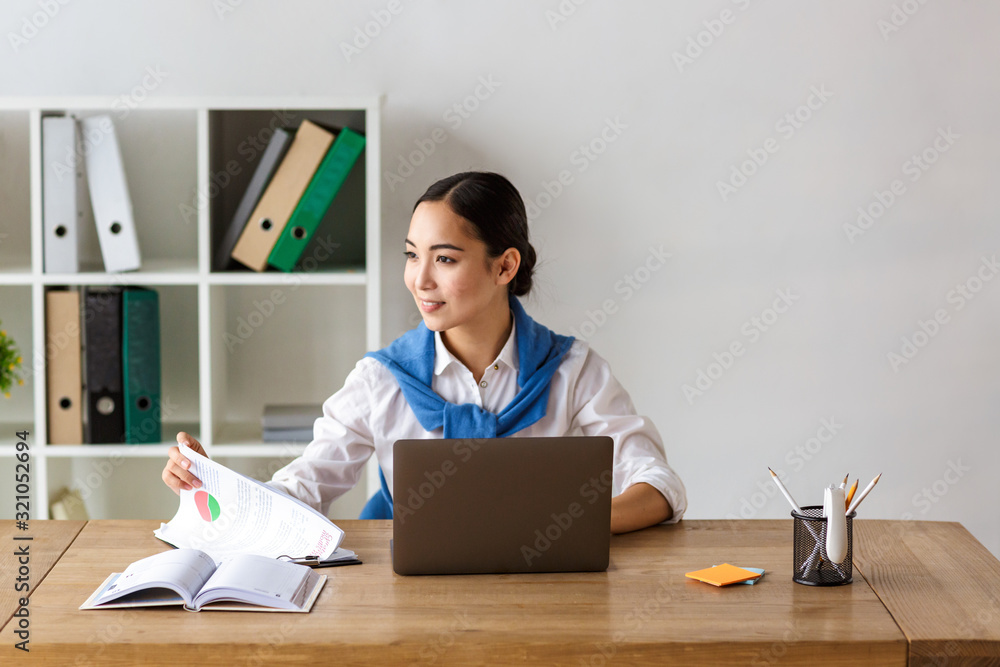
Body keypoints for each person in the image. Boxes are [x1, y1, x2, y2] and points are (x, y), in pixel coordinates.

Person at [163, 171, 686, 534]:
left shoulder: (573, 372)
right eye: (413, 256)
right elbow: (301, 491)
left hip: (540, 587)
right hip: (404, 591)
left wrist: (564, 522)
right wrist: (214, 484)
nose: (421, 280)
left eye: (445, 259)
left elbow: (658, 485)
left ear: (504, 267)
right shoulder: (381, 381)